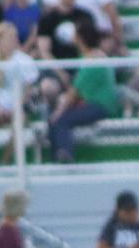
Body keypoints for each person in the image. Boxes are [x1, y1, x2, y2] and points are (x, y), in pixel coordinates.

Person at [46, 21, 119, 164]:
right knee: (54, 119)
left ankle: (65, 156)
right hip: (93, 102)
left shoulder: (93, 59)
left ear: (80, 38)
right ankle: (55, 158)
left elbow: (74, 92)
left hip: (100, 105)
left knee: (60, 120)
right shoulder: (92, 56)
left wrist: (58, 112)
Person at [0, 22, 39, 158]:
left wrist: (15, 108)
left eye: (14, 37)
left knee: (19, 122)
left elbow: (27, 91)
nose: (14, 40)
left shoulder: (25, 61)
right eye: (9, 37)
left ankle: (6, 160)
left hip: (18, 108)